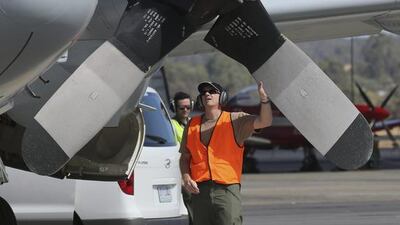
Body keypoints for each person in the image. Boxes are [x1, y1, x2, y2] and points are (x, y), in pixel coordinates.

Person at [179, 81, 272, 225]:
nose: (207, 94)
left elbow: (264, 121)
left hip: (227, 190)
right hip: (199, 192)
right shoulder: (192, 124)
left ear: (222, 97)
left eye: (212, 91)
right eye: (203, 92)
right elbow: (185, 157)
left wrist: (264, 100)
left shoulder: (235, 120)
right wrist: (186, 178)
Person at [170, 91, 194, 225]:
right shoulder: (172, 125)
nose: (185, 110)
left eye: (188, 107)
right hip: (183, 173)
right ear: (174, 108)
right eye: (181, 108)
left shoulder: (194, 123)